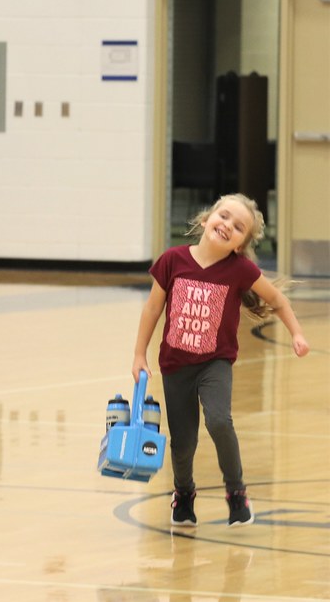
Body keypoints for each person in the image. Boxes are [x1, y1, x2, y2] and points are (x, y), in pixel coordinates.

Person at [132, 193, 309, 527]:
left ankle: (236, 491)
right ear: (205, 219)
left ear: (240, 244)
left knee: (218, 421)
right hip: (175, 365)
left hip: (215, 363)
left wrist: (297, 334)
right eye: (224, 216)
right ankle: (183, 494)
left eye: (238, 226)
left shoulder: (239, 269)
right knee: (183, 442)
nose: (228, 225)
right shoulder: (172, 260)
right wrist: (139, 354)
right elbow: (153, 308)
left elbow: (279, 300)